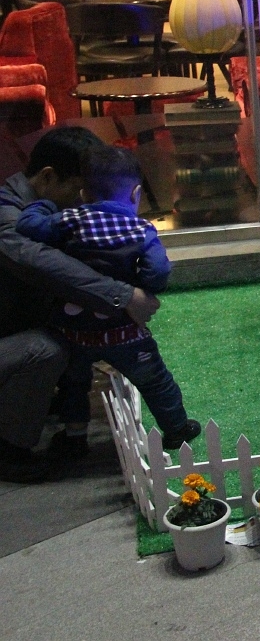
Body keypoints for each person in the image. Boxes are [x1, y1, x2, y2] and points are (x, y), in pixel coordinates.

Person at [15, 143, 200, 458]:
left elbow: (27, 226)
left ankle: (75, 436)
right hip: (124, 332)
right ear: (136, 194)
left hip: (74, 332)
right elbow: (159, 271)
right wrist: (142, 287)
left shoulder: (69, 220)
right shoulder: (140, 229)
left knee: (74, 385)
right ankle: (176, 428)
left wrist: (44, 204)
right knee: (155, 381)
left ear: (84, 193)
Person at [0, 128, 161, 481]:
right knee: (45, 349)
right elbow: (40, 262)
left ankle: (49, 407)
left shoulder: (50, 212)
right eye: (79, 189)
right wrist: (123, 296)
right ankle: (10, 450)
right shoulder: (7, 216)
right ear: (48, 177)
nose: (86, 200)